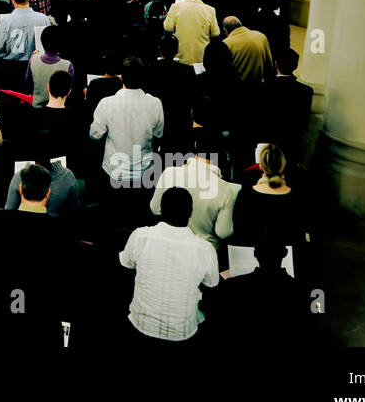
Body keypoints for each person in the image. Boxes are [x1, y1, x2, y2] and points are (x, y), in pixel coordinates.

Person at [119, 187, 220, 343]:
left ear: (161, 210)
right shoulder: (205, 249)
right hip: (183, 333)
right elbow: (212, 283)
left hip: (139, 326)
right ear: (190, 213)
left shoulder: (140, 236)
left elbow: (126, 263)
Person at [91, 57, 165, 187]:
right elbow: (159, 134)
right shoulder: (155, 104)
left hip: (113, 172)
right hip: (144, 172)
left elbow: (95, 134)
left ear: (121, 78)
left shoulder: (106, 103)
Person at [233, 143, 308, 267]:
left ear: (261, 166)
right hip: (285, 261)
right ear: (283, 165)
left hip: (251, 259)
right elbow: (298, 233)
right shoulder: (295, 197)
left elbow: (240, 230)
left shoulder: (246, 194)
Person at [150, 155, 237, 247]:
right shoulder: (226, 189)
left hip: (166, 242)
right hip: (205, 250)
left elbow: (155, 209)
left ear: (195, 145)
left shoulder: (169, 173)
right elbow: (223, 233)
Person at [0, 0, 49, 64]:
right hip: (36, 64)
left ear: (12, 0)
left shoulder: (5, 20)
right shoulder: (43, 19)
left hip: (10, 66)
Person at [162, 0, 219, 64]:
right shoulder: (210, 10)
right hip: (201, 60)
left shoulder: (175, 7)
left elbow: (168, 28)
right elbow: (215, 34)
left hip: (180, 59)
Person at [222, 15, 275, 82]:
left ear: (225, 30)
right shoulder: (261, 36)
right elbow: (269, 65)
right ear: (240, 25)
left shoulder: (225, 44)